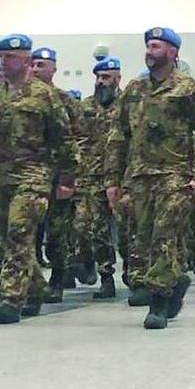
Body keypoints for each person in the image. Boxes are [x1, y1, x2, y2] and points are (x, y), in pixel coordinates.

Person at [105, 26, 195, 329]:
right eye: (148, 46)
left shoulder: (189, 90)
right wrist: (112, 180)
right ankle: (176, 281)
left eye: (156, 46)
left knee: (164, 235)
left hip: (176, 175)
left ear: (172, 52)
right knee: (142, 239)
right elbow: (118, 136)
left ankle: (157, 302)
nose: (149, 51)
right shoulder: (134, 90)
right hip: (140, 177)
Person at [0, 33, 75, 324]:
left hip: (33, 176)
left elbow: (63, 138)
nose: (4, 62)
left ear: (26, 60)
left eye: (10, 57)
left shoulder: (45, 95)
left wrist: (66, 178)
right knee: (5, 238)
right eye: (1, 57)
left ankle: (11, 299)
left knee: (19, 231)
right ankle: (36, 288)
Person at [29, 46, 83, 303]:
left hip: (55, 177)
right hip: (26, 177)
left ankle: (58, 279)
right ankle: (21, 281)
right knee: (22, 232)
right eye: (33, 64)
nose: (35, 69)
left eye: (41, 65)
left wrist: (68, 178)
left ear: (54, 69)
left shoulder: (63, 100)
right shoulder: (18, 97)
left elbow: (78, 138)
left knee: (56, 233)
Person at [77, 58, 123, 299]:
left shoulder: (130, 105)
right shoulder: (86, 106)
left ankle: (135, 274)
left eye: (106, 77)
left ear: (118, 78)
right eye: (98, 77)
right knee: (95, 229)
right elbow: (78, 139)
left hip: (124, 178)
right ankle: (106, 277)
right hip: (93, 177)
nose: (100, 82)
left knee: (128, 230)